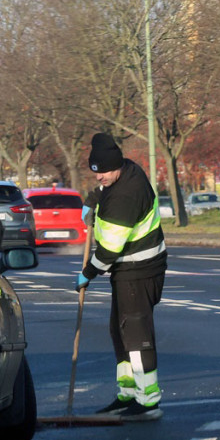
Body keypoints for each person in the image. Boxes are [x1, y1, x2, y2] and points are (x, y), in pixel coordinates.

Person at [75, 133, 167, 421]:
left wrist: (87, 273)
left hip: (139, 270)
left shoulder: (127, 194)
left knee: (136, 335)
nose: (99, 177)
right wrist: (92, 200)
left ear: (115, 166)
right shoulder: (123, 172)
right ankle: (128, 392)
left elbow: (111, 248)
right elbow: (104, 191)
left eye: (103, 172)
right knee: (120, 331)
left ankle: (147, 399)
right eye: (95, 172)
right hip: (127, 270)